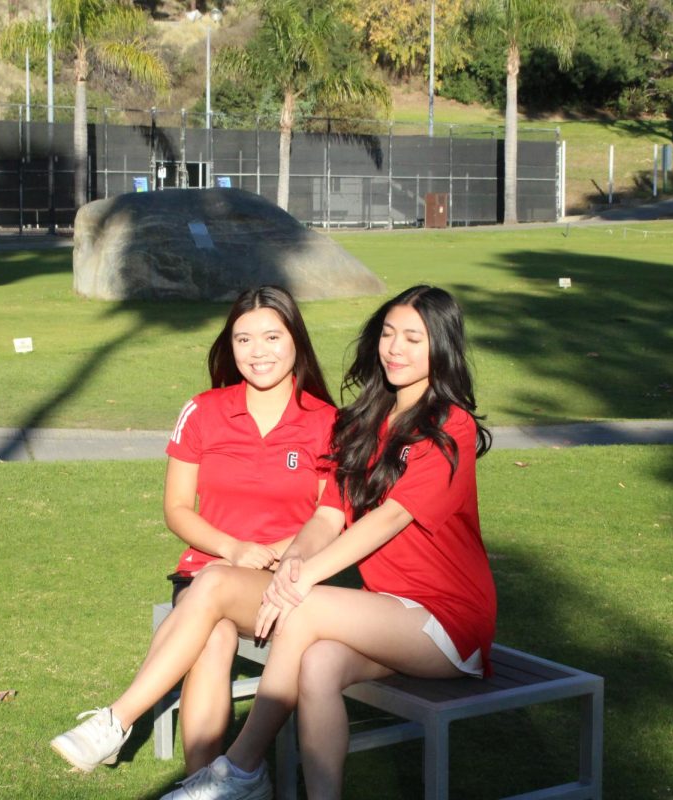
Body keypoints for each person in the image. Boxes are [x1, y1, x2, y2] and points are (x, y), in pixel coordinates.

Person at [161, 285, 494, 800]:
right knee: (317, 666)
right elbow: (328, 514)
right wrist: (294, 564)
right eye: (387, 334)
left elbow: (387, 520)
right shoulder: (365, 424)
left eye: (413, 338)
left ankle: (241, 767)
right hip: (383, 610)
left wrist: (300, 584)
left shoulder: (452, 426)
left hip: (445, 619)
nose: (395, 349)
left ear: (442, 348)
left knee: (304, 611)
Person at [50, 285, 336, 776]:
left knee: (217, 585)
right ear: (230, 346)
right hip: (208, 572)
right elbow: (177, 509)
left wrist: (268, 553)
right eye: (243, 340)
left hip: (288, 584)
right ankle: (204, 782)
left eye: (271, 336)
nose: (257, 352)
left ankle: (118, 720)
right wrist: (232, 548)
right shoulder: (202, 411)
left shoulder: (329, 423)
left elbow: (330, 518)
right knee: (214, 634)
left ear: (296, 341)